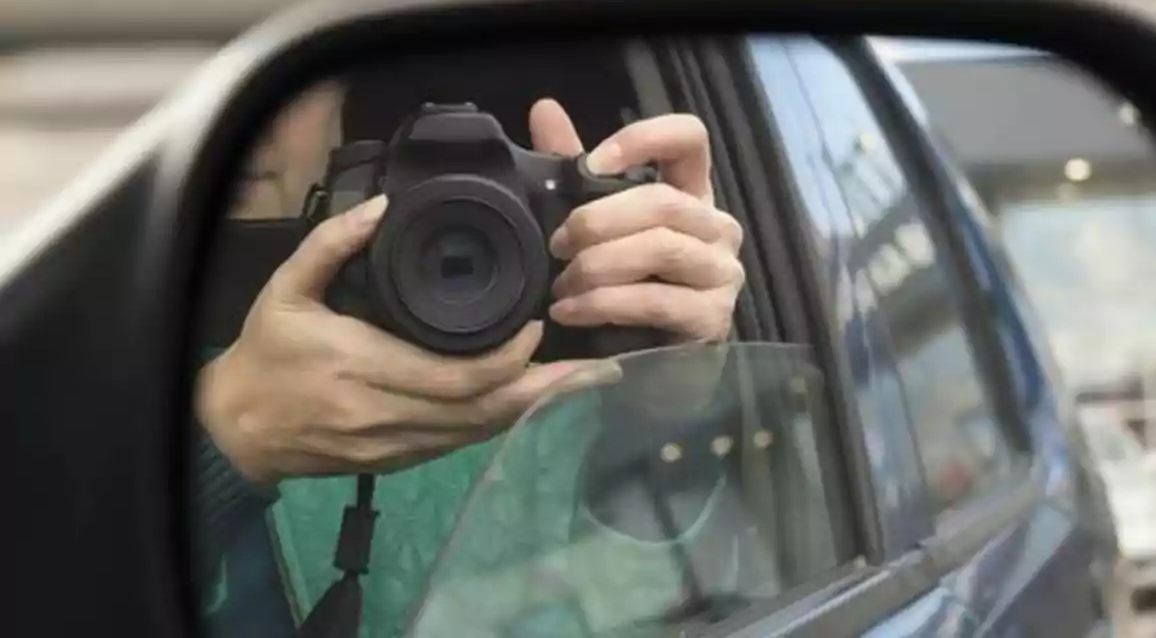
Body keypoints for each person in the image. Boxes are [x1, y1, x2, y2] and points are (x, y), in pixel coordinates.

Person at [192, 85, 747, 637]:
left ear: (338, 101)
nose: (254, 120)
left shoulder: (558, 365)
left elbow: (639, 611)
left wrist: (664, 414)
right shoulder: (114, 346)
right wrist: (226, 433)